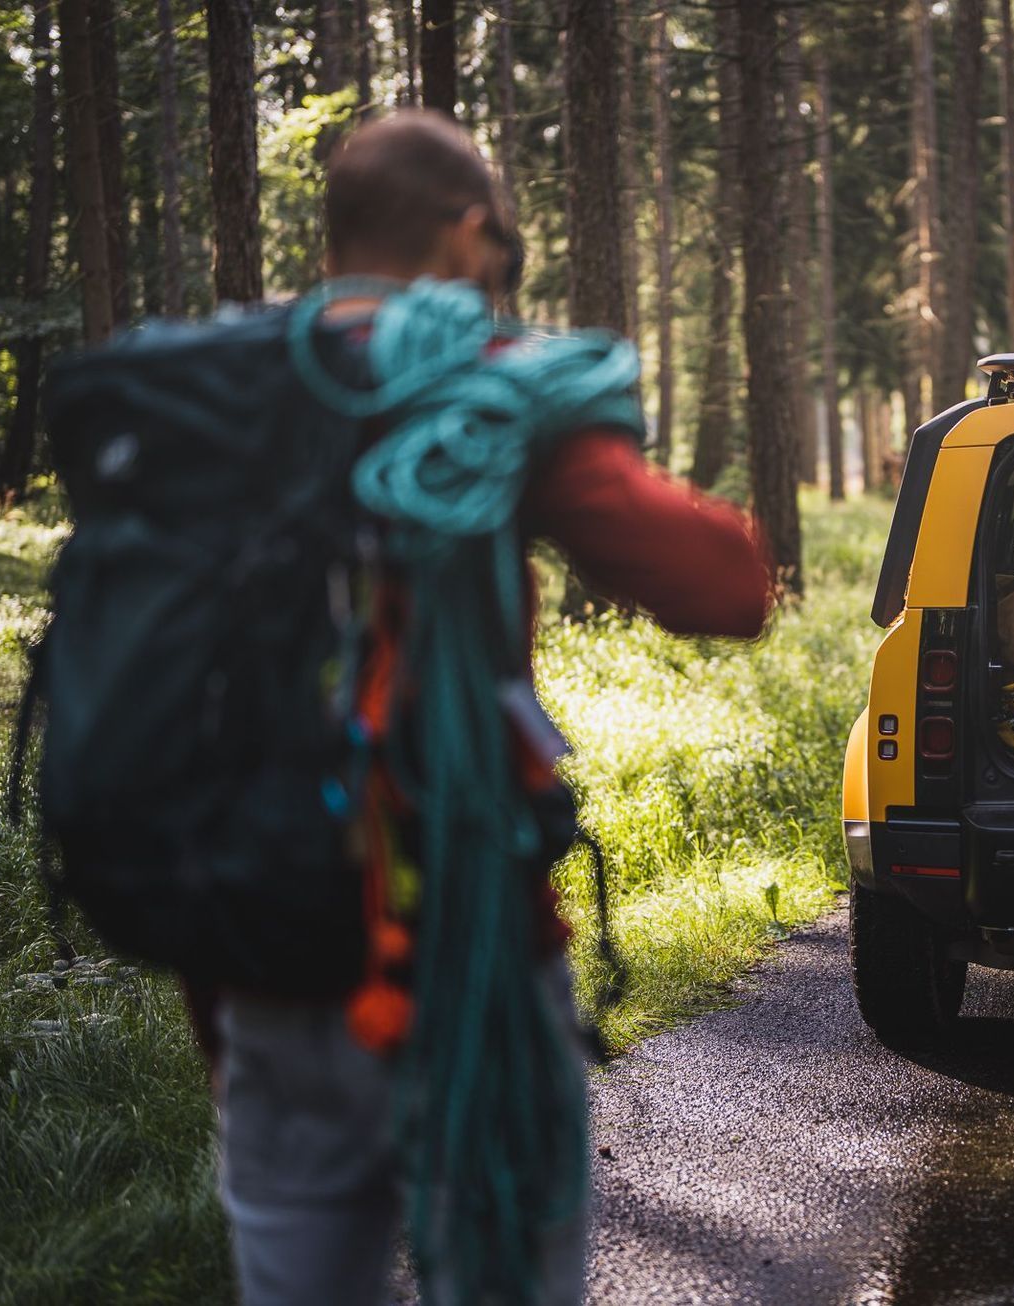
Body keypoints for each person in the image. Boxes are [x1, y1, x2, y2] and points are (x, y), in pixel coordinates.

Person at [205, 111, 774, 1306]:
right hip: (465, 934)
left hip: (255, 938)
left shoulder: (222, 385)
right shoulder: (486, 388)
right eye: (499, 253)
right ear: (469, 235)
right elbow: (726, 587)